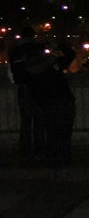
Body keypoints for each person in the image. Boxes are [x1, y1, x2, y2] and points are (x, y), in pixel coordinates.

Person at [25, 33, 76, 176]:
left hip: (60, 102)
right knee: (56, 135)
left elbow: (70, 54)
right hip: (53, 103)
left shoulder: (52, 64)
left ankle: (60, 163)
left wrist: (56, 47)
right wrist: (54, 54)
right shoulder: (43, 66)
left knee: (61, 134)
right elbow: (36, 69)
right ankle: (58, 163)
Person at [8, 25, 46, 161]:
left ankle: (25, 150)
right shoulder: (37, 48)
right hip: (37, 86)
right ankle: (39, 149)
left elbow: (12, 68)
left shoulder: (15, 50)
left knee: (26, 120)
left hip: (23, 86)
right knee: (39, 119)